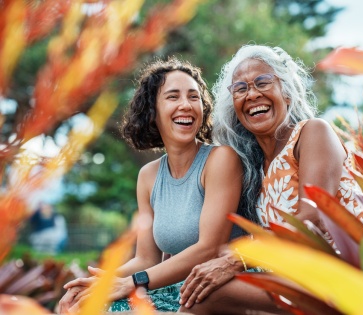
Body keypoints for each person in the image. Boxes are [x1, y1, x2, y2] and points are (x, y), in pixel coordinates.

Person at [178, 44, 363, 314]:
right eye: (241, 88)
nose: (252, 94)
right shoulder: (254, 169)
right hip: (297, 279)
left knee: (207, 296)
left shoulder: (313, 133)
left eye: (263, 82)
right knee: (201, 288)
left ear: (286, 92)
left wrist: (234, 260)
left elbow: (310, 218)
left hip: (346, 277)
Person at [58, 57, 249, 313]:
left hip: (215, 292)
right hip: (175, 291)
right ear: (153, 111)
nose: (186, 105)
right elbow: (146, 258)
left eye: (194, 97)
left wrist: (132, 282)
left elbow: (209, 248)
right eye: (173, 97)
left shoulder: (221, 159)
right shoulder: (148, 176)